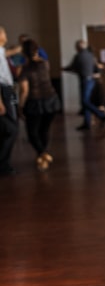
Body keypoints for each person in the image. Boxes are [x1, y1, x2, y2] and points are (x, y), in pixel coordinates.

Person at [18, 38, 62, 172]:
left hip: (34, 103)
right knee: (44, 129)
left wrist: (19, 106)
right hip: (51, 100)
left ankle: (42, 154)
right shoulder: (45, 64)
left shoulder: (24, 70)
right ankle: (43, 156)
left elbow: (24, 91)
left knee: (32, 133)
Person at [63, 39, 105, 131]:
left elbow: (72, 67)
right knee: (86, 101)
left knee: (85, 101)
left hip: (85, 80)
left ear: (77, 47)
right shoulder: (91, 56)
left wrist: (63, 69)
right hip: (91, 80)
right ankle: (87, 122)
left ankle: (101, 115)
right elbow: (97, 68)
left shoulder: (78, 56)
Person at [0, 26, 18, 176]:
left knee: (8, 129)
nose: (6, 35)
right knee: (11, 129)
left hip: (6, 91)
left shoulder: (1, 50)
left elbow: (8, 52)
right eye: (4, 32)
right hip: (2, 93)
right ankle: (2, 165)